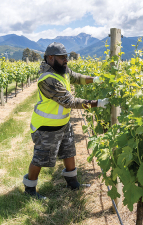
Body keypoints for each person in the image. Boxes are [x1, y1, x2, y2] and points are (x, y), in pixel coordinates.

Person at [22, 42, 109, 199]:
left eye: (66, 57)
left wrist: (95, 79)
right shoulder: (48, 79)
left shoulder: (61, 70)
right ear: (50, 57)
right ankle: (29, 190)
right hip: (46, 127)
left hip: (63, 123)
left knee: (69, 152)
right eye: (62, 57)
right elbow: (69, 102)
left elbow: (77, 77)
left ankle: (73, 183)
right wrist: (98, 103)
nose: (66, 60)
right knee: (40, 158)